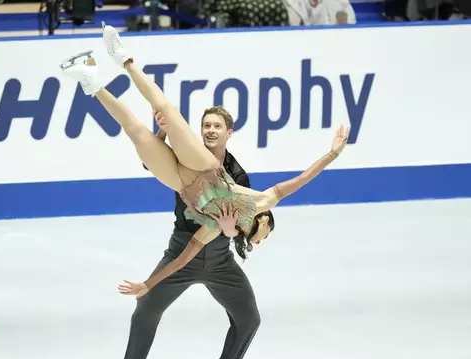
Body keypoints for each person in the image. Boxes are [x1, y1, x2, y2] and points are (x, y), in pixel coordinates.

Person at [60, 22, 349, 298]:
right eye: (266, 233)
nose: (263, 239)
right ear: (265, 221)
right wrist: (332, 154)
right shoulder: (261, 202)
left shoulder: (215, 229)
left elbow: (183, 259)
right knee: (165, 110)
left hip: (178, 179)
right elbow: (300, 181)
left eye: (262, 239)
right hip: (203, 166)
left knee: (136, 132)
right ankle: (124, 58)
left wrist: (148, 284)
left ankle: (91, 80)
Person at [109, 105, 259, 359]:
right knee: (145, 311)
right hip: (180, 252)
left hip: (219, 259)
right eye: (206, 126)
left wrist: (229, 229)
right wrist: (163, 131)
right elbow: (151, 160)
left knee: (248, 319)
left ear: (229, 133)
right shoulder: (185, 155)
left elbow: (242, 228)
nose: (211, 130)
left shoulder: (238, 176)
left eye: (217, 126)